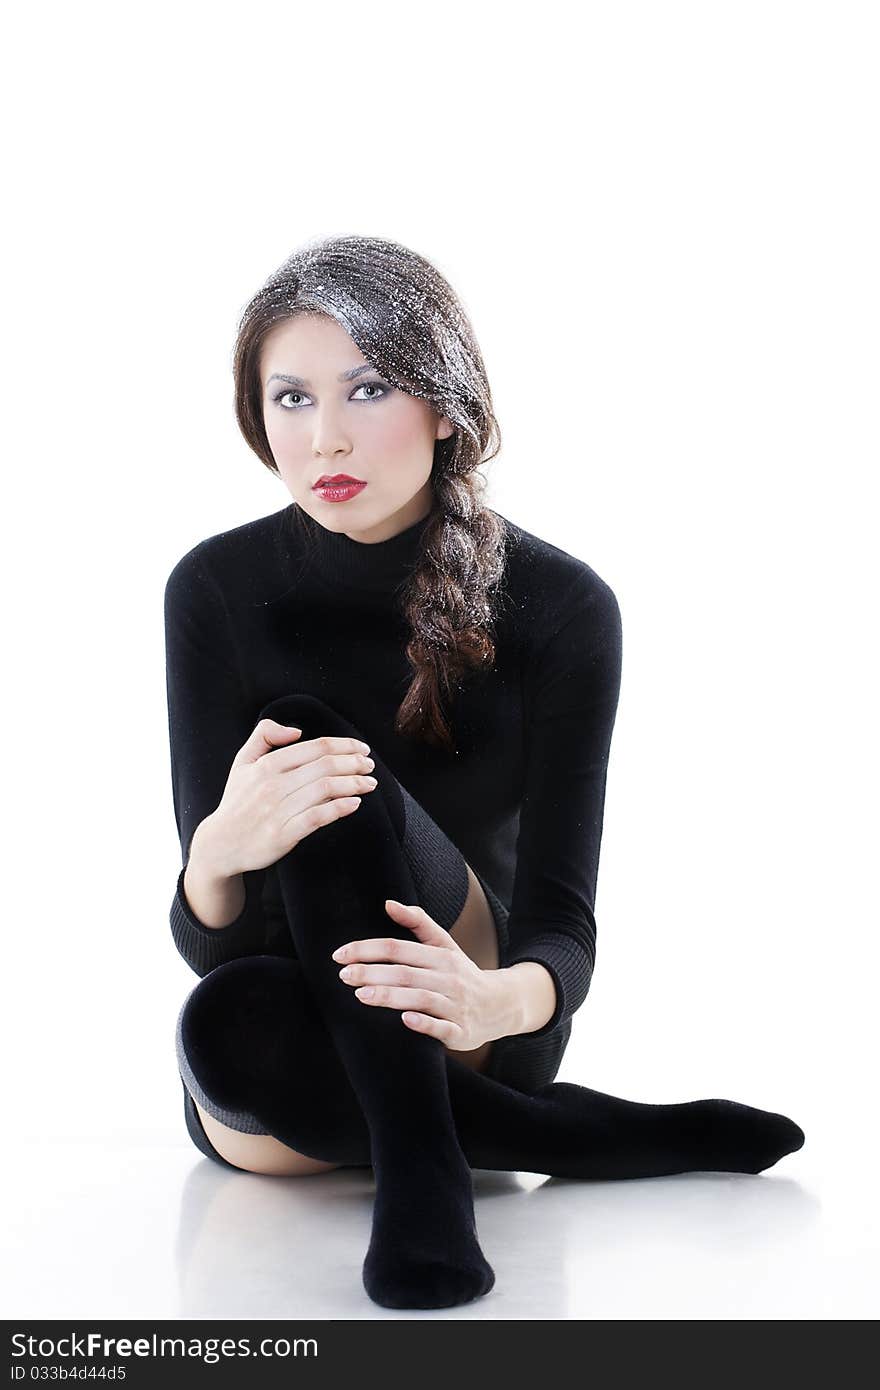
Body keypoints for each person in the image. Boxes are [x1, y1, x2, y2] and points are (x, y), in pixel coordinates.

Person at [165, 234, 804, 1311]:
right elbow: (206, 942)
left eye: (367, 388)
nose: (322, 434)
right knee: (224, 1024)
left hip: (472, 1011)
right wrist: (218, 852)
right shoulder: (213, 590)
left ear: (449, 405)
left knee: (308, 734)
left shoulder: (560, 607)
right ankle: (567, 1138)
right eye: (289, 397)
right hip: (285, 1062)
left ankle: (428, 1175)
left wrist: (493, 999)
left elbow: (562, 922)